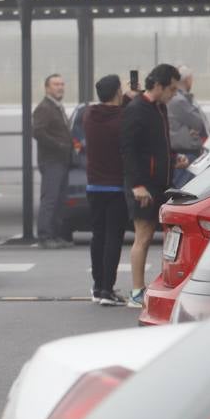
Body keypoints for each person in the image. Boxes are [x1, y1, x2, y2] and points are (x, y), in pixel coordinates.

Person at [122, 63, 184, 308]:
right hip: (143, 185)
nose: (173, 94)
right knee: (144, 235)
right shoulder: (136, 109)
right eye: (171, 89)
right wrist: (137, 184)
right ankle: (137, 291)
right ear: (157, 86)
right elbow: (128, 150)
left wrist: (172, 158)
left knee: (165, 236)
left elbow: (158, 145)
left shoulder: (159, 108)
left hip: (161, 182)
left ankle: (156, 287)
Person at [83, 75, 129, 306]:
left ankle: (97, 285)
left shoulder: (89, 116)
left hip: (94, 184)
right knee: (114, 237)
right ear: (118, 93)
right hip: (116, 185)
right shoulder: (122, 118)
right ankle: (107, 289)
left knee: (98, 235)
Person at [31, 73, 72, 248]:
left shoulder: (56, 107)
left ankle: (55, 234)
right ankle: (45, 236)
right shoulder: (44, 108)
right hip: (51, 161)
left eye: (62, 84)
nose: (60, 87)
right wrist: (61, 145)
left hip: (61, 161)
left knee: (59, 199)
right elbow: (38, 132)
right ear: (47, 88)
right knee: (50, 198)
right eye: (56, 84)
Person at [167, 66, 208, 188]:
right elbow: (198, 122)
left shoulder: (178, 99)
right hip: (185, 153)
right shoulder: (180, 101)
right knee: (185, 189)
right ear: (187, 80)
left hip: (180, 152)